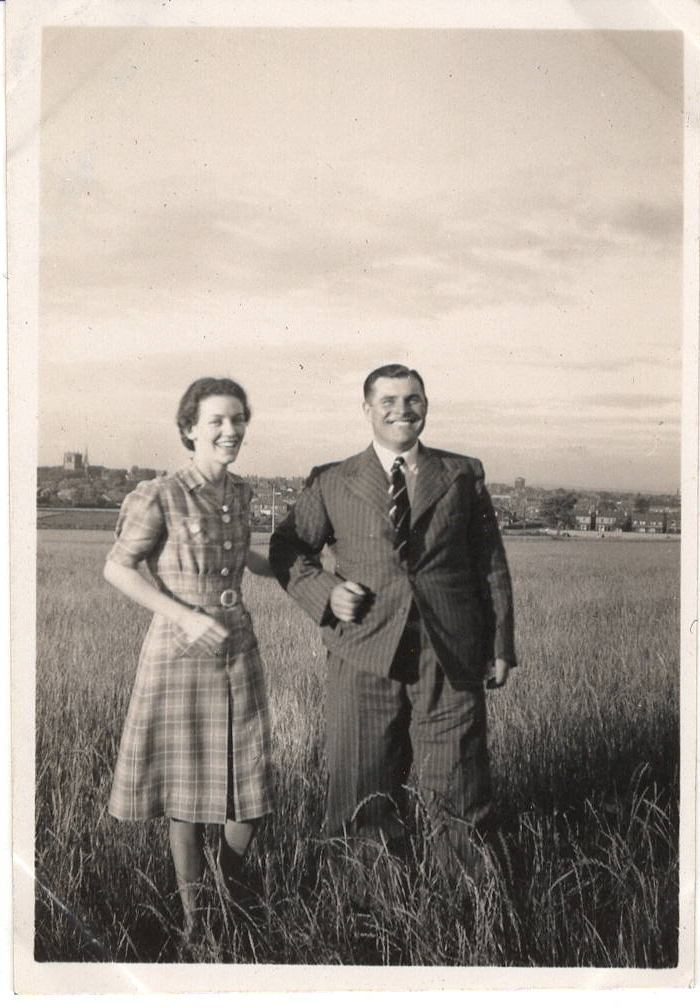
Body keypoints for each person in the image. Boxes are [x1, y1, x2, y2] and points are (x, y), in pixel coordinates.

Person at [269, 364, 516, 891]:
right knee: (362, 784)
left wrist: (499, 644)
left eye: (413, 399)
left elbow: (489, 561)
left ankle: (466, 903)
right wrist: (325, 593)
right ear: (366, 409)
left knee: (460, 785)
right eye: (388, 400)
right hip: (362, 650)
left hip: (451, 655)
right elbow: (288, 547)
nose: (402, 409)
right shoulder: (331, 480)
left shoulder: (463, 474)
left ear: (426, 404)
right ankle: (367, 905)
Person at [103, 377, 275, 940]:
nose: (231, 431)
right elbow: (118, 568)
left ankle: (229, 893)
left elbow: (240, 550)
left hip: (236, 645)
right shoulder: (160, 494)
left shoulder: (242, 493)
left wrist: (292, 565)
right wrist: (183, 616)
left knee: (247, 786)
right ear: (189, 430)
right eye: (218, 422)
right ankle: (198, 922)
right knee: (186, 791)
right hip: (181, 650)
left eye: (238, 420)